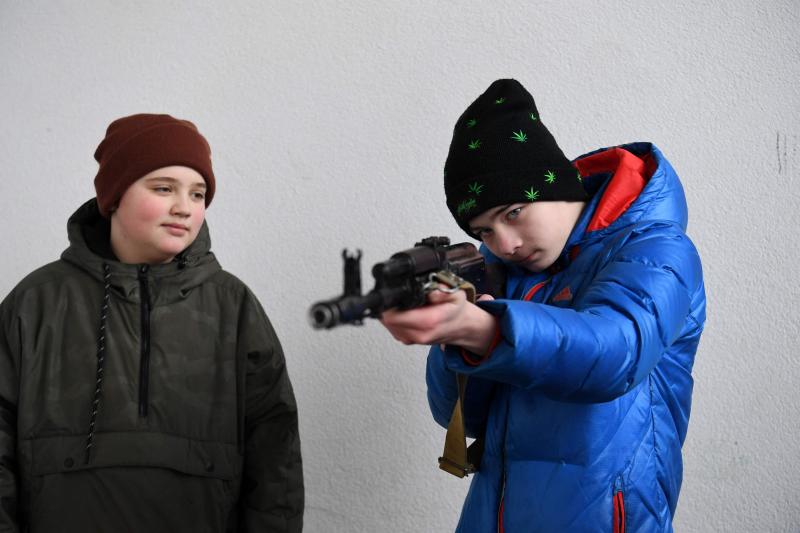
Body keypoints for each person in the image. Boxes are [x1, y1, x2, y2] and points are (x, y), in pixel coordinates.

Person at [380, 79, 706, 532]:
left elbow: (615, 354)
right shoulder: (502, 273)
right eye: (485, 231)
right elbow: (462, 417)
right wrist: (454, 336)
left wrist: (485, 330)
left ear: (557, 185)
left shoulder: (657, 250)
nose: (506, 243)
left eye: (513, 212)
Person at [0, 114, 304, 532]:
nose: (184, 207)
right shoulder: (35, 303)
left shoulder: (233, 307)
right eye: (164, 188)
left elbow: (275, 458)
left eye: (198, 194)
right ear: (114, 196)